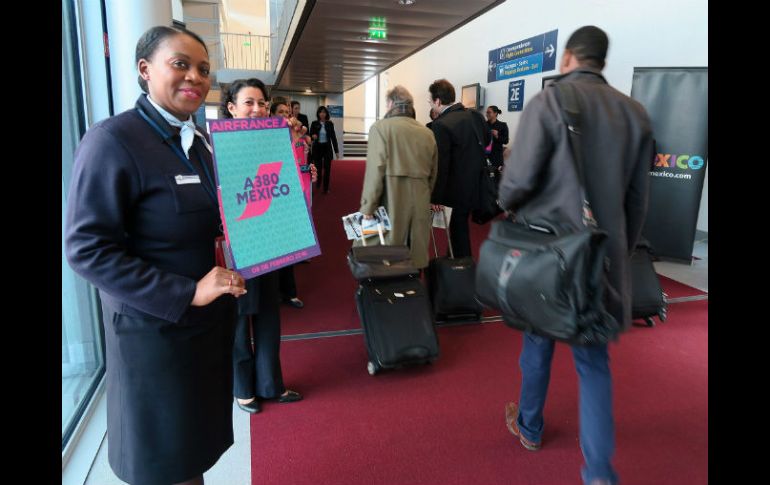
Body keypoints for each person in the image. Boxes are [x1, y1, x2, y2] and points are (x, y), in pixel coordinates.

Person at [65, 26, 247, 485]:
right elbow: (86, 250)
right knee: (165, 460)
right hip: (155, 333)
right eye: (180, 64)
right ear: (145, 70)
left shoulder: (198, 142)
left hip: (200, 330)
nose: (195, 77)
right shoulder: (112, 141)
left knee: (189, 454)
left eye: (203, 69)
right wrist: (186, 292)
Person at [497, 26, 654, 485]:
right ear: (601, 61)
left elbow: (515, 184)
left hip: (547, 255)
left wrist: (507, 199)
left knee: (536, 342)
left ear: (568, 57)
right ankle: (600, 475)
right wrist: (617, 254)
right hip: (600, 256)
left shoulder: (548, 102)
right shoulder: (635, 114)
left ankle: (529, 426)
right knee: (593, 362)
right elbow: (638, 202)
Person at [221, 79, 304, 415]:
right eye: (249, 103)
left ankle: (271, 383)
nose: (258, 110)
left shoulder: (273, 141)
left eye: (263, 104)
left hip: (269, 238)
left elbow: (284, 188)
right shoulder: (217, 144)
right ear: (231, 108)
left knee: (270, 315)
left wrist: (292, 143)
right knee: (240, 318)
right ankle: (243, 388)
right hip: (236, 244)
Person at [357, 85, 438, 269]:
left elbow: (375, 172)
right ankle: (413, 293)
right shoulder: (427, 133)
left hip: (390, 201)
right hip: (420, 201)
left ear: (391, 103)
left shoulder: (380, 128)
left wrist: (367, 207)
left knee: (388, 255)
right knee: (415, 253)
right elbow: (433, 174)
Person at [427, 79, 491, 258]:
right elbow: (486, 141)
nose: (432, 104)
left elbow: (442, 163)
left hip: (457, 188)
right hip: (477, 183)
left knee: (458, 230)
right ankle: (455, 260)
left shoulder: (441, 124)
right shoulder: (475, 116)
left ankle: (463, 268)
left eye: (431, 101)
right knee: (459, 226)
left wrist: (436, 197)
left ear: (438, 101)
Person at [270, 97, 316, 308]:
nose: (286, 116)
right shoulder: (267, 136)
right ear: (271, 115)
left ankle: (289, 292)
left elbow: (302, 161)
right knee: (273, 248)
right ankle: (273, 293)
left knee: (289, 245)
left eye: (287, 112)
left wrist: (309, 169)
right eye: (280, 112)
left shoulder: (296, 133)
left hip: (293, 193)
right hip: (271, 196)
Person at [308, 105, 339, 194]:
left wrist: (336, 151)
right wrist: (312, 136)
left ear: (326, 114)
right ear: (318, 114)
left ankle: (325, 188)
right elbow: (310, 136)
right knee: (318, 169)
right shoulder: (314, 123)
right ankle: (318, 182)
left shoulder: (330, 124)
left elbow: (333, 137)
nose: (322, 114)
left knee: (327, 169)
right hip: (317, 149)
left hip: (327, 149)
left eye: (324, 112)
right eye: (320, 112)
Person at [484, 105, 509, 183]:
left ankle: (496, 193)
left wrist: (497, 136)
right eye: (486, 112)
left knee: (496, 178)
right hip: (485, 156)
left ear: (495, 113)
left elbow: (506, 141)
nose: (487, 114)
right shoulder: (484, 125)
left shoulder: (502, 125)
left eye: (489, 112)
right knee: (486, 178)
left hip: (496, 156)